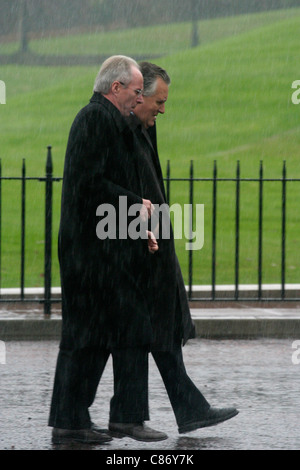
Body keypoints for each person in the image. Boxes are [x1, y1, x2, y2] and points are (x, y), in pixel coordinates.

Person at [48, 55, 168, 445]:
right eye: (136, 92)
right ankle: (97, 420)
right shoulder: (95, 119)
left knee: (104, 334)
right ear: (115, 88)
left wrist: (141, 227)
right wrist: (139, 205)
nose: (140, 99)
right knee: (93, 336)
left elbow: (107, 184)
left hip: (102, 250)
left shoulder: (109, 122)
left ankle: (81, 419)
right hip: (91, 254)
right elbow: (89, 185)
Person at [130, 61, 239, 434]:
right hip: (142, 245)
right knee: (147, 332)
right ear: (137, 94)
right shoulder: (124, 129)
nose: (163, 109)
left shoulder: (145, 126)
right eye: (158, 101)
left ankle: (188, 408)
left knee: (163, 330)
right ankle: (109, 417)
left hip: (154, 241)